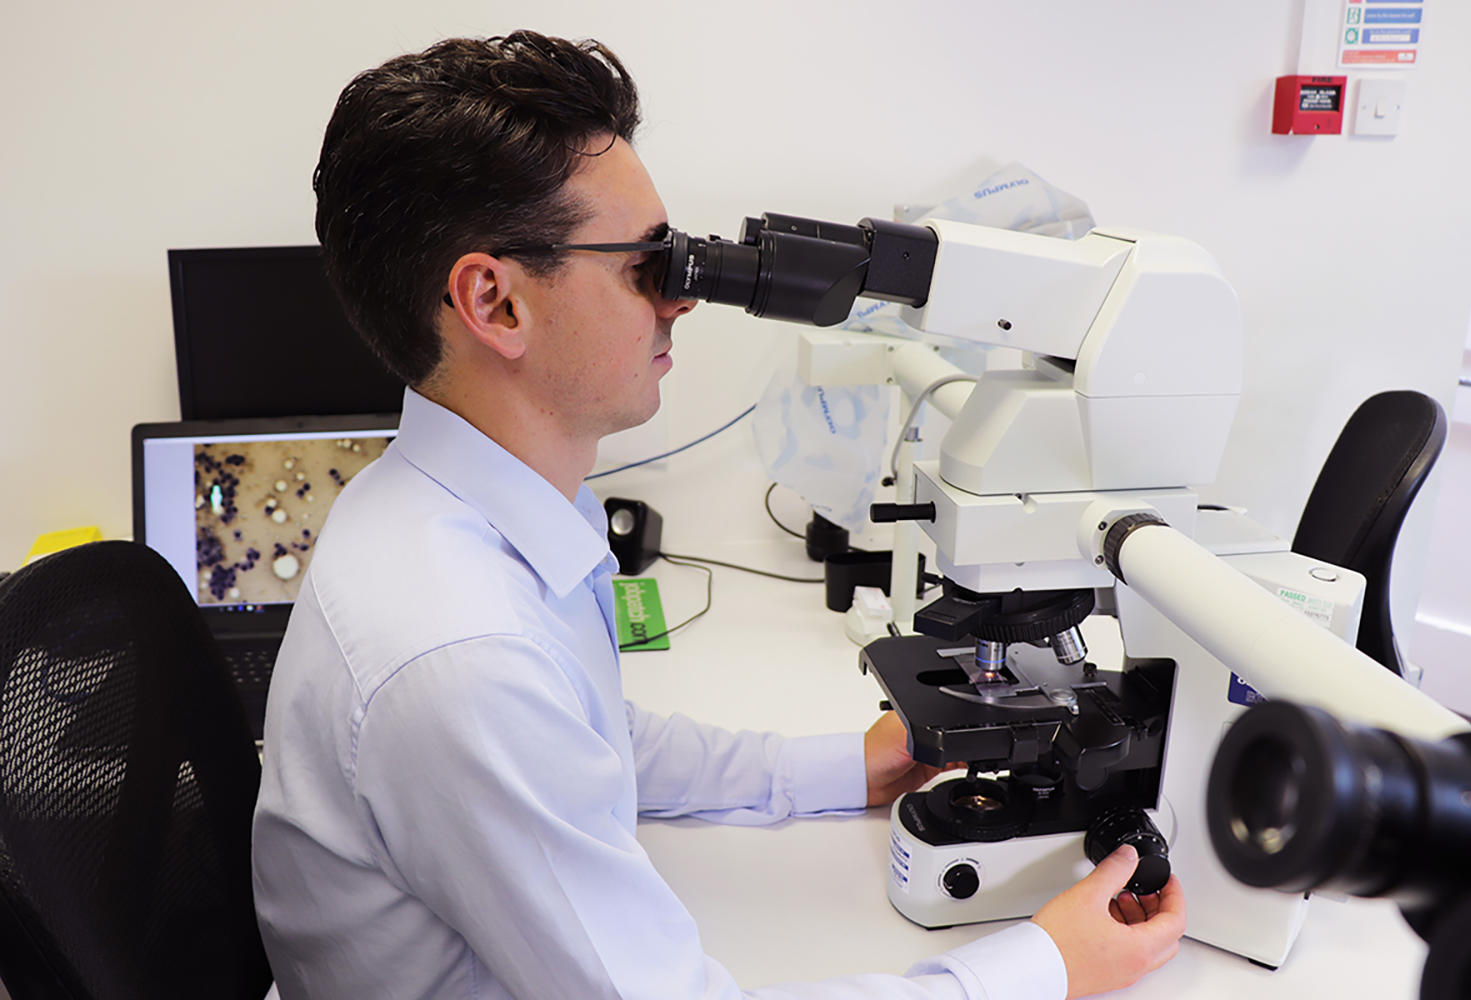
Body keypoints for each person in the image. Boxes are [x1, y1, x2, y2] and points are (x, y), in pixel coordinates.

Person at [250, 30, 1185, 1000]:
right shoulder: (460, 657)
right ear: (496, 302)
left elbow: (595, 740)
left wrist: (836, 768)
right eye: (645, 264)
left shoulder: (469, 501)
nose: (682, 302)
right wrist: (1042, 966)